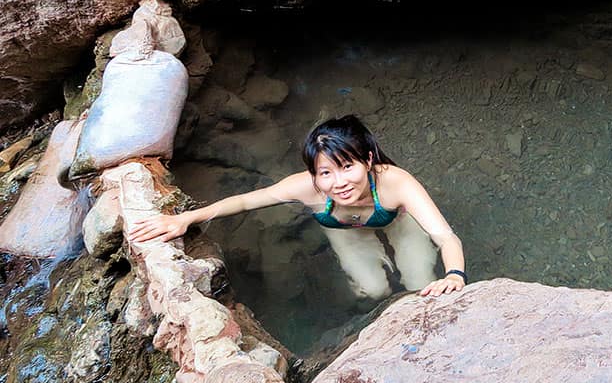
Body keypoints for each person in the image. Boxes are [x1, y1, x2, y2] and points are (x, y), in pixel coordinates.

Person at [129, 115, 467, 298]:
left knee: (421, 286)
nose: (339, 183)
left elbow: (446, 237)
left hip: (396, 223)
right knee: (373, 291)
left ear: (367, 160)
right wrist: (186, 218)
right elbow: (247, 201)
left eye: (347, 167)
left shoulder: (395, 182)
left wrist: (455, 275)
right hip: (344, 230)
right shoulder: (305, 188)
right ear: (313, 174)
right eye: (326, 172)